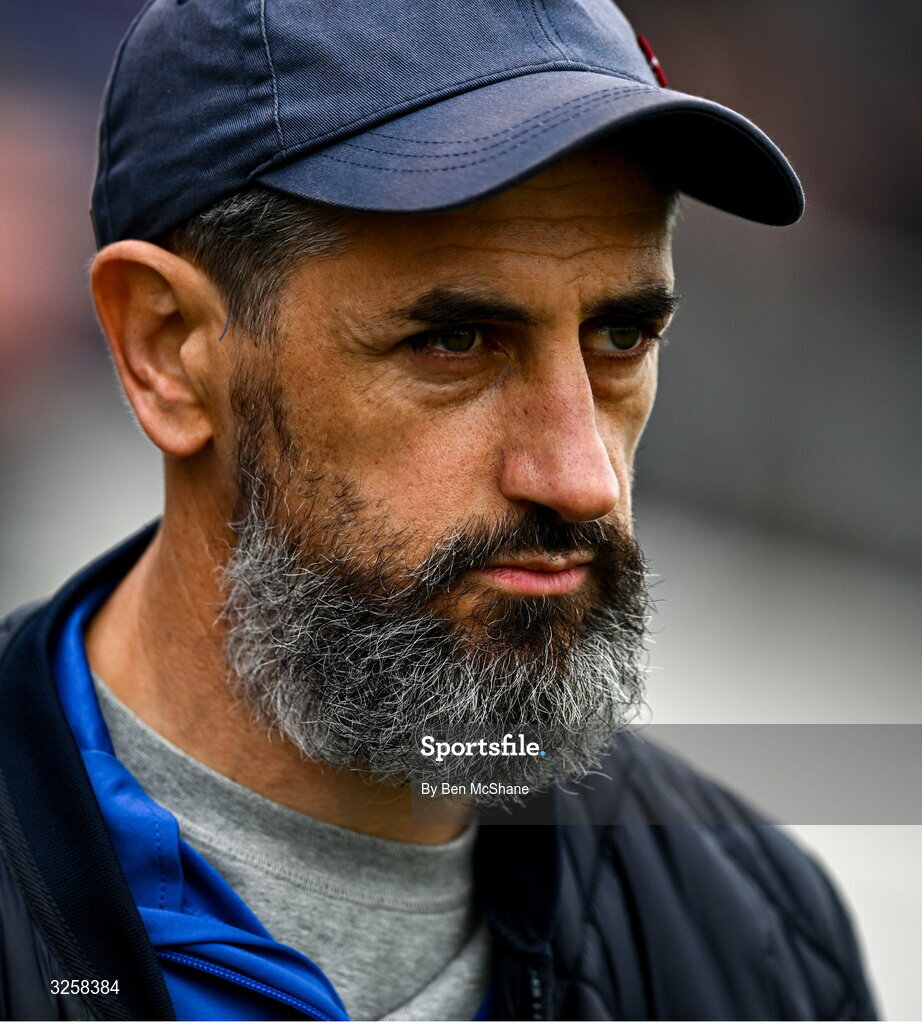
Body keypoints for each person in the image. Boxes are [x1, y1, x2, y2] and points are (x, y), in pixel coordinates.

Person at [0, 0, 878, 1020]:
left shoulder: (756, 936)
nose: (580, 475)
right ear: (168, 349)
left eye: (622, 337)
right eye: (455, 342)